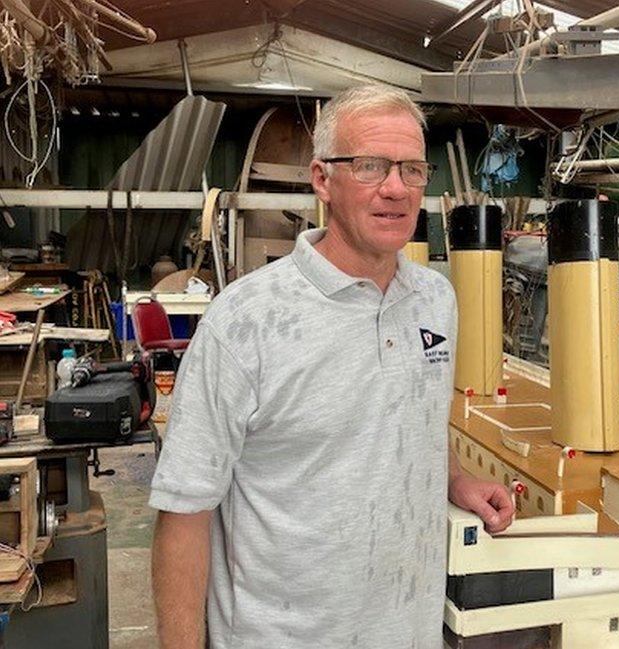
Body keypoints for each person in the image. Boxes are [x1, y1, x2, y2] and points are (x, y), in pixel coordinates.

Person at [150, 85, 514, 649]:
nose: (395, 188)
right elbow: (185, 509)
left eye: (413, 169)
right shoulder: (246, 321)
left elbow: (413, 419)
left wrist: (456, 479)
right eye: (370, 166)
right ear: (322, 179)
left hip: (408, 631)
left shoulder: (435, 299)